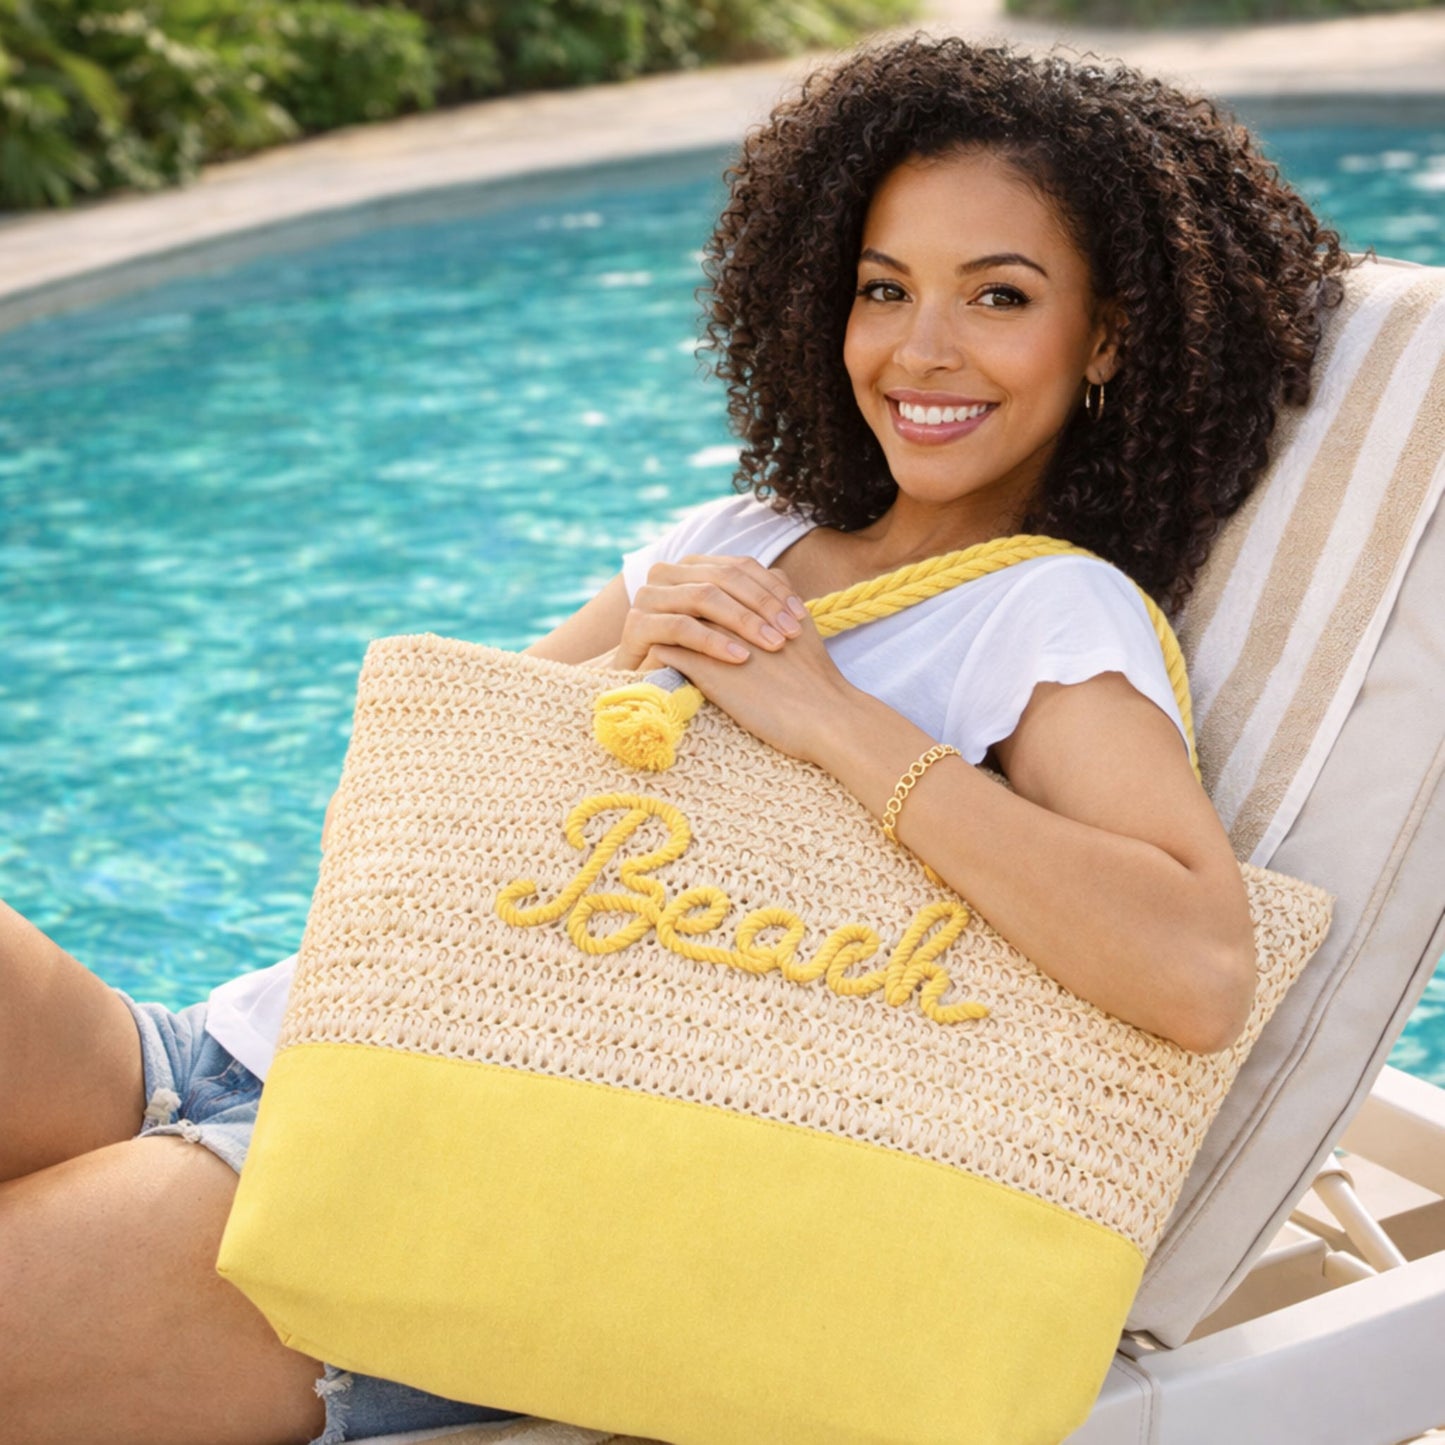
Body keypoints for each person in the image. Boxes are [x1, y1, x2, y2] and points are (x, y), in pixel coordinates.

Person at [0, 32, 1351, 1445]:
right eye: (882, 291)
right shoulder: (735, 537)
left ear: (1109, 336)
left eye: (997, 297)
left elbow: (1195, 966)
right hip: (261, 1047)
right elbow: (434, 822)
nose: (920, 350)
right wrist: (613, 684)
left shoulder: (1045, 611)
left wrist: (831, 719)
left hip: (413, 1204)